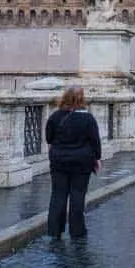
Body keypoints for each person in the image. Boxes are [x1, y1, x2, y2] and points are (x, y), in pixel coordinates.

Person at [45, 86, 102, 239]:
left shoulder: (55, 117)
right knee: (78, 195)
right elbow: (95, 140)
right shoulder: (87, 118)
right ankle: (77, 230)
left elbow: (49, 138)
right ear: (82, 99)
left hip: (59, 160)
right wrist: (97, 158)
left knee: (58, 194)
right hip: (82, 161)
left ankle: (55, 230)